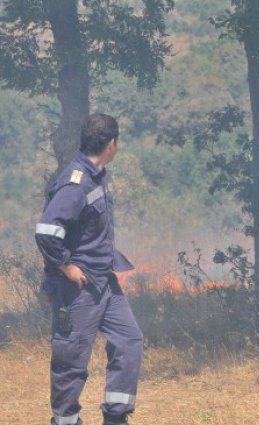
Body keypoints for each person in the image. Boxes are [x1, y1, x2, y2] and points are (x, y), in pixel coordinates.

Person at [35, 113, 142, 425]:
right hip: (79, 287)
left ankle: (116, 417)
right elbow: (46, 230)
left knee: (129, 340)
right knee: (72, 358)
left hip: (104, 281)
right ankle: (66, 420)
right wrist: (65, 266)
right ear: (112, 144)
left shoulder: (96, 174)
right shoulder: (75, 183)